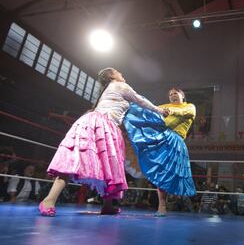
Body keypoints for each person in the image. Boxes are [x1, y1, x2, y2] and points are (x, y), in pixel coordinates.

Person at [39, 68, 166, 216]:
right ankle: (49, 200)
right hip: (102, 125)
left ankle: (106, 205)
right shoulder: (120, 85)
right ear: (112, 75)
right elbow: (140, 100)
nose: (122, 74)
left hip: (100, 125)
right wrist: (159, 110)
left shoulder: (107, 90)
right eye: (119, 72)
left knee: (101, 166)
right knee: (85, 163)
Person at [124, 87, 196, 216]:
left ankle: (179, 205)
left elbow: (186, 112)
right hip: (160, 138)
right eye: (170, 94)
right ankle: (161, 206)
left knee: (170, 175)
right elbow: (150, 109)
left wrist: (169, 111)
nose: (173, 96)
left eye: (175, 93)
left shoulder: (190, 106)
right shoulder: (164, 106)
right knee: (160, 173)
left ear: (182, 96)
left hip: (175, 141)